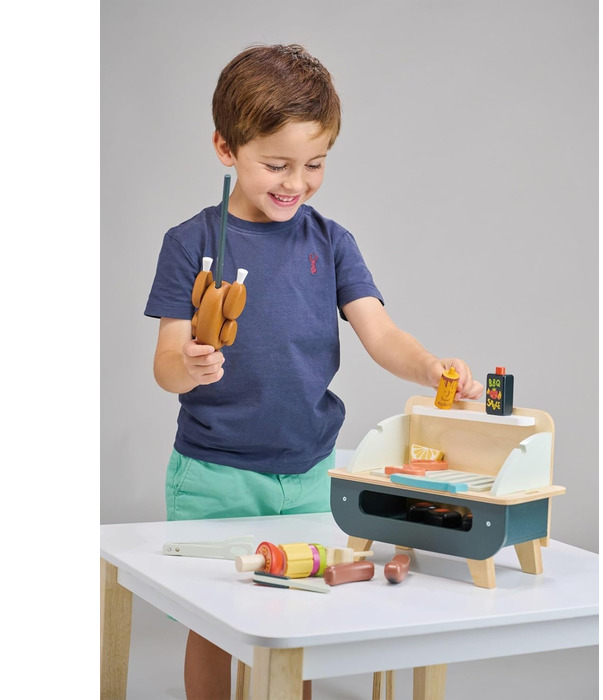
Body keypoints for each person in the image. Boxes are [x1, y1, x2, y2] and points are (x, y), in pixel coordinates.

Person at [145, 43, 483, 700]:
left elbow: (381, 333)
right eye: (276, 164)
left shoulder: (331, 242)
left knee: (295, 617)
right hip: (215, 475)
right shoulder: (189, 243)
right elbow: (165, 364)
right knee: (210, 625)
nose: (295, 183)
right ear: (225, 148)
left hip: (309, 474)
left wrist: (428, 365)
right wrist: (187, 365)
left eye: (315, 164)